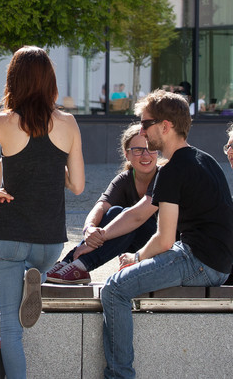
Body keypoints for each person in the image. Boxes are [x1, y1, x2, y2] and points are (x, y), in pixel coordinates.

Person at [0, 46, 85, 379]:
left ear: (13, 81)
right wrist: (53, 166)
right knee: (38, 264)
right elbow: (78, 186)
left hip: (9, 238)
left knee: (10, 325)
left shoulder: (2, 122)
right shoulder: (68, 123)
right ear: (50, 82)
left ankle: (25, 283)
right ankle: (34, 278)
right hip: (50, 242)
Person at [100, 90, 233, 379]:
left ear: (165, 126)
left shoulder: (173, 170)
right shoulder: (206, 159)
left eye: (145, 124)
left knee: (113, 289)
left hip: (199, 261)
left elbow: (165, 239)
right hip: (219, 263)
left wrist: (136, 258)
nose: (141, 131)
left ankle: (120, 376)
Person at [46, 123, 162, 284]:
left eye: (150, 149)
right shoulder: (125, 178)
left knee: (127, 218)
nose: (145, 155)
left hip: (165, 249)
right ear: (126, 154)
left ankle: (81, 266)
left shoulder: (164, 176)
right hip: (137, 245)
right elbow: (100, 207)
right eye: (137, 150)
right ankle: (68, 263)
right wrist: (89, 229)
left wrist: (97, 240)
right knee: (115, 212)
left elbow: (137, 217)